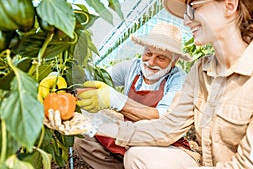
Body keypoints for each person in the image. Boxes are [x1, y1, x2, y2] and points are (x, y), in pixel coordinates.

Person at [45, 0, 253, 168]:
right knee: (141, 158)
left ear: (230, 6)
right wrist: (88, 125)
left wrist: (117, 103)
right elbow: (166, 128)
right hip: (207, 162)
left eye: (194, 6)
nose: (187, 19)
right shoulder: (201, 70)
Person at [73, 21, 192, 168]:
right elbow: (95, 79)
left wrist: (119, 102)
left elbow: (163, 117)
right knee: (84, 139)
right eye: (148, 53)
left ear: (174, 61)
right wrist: (69, 80)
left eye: (161, 57)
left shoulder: (178, 80)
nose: (151, 61)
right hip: (130, 134)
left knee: (137, 153)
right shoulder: (132, 67)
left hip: (162, 142)